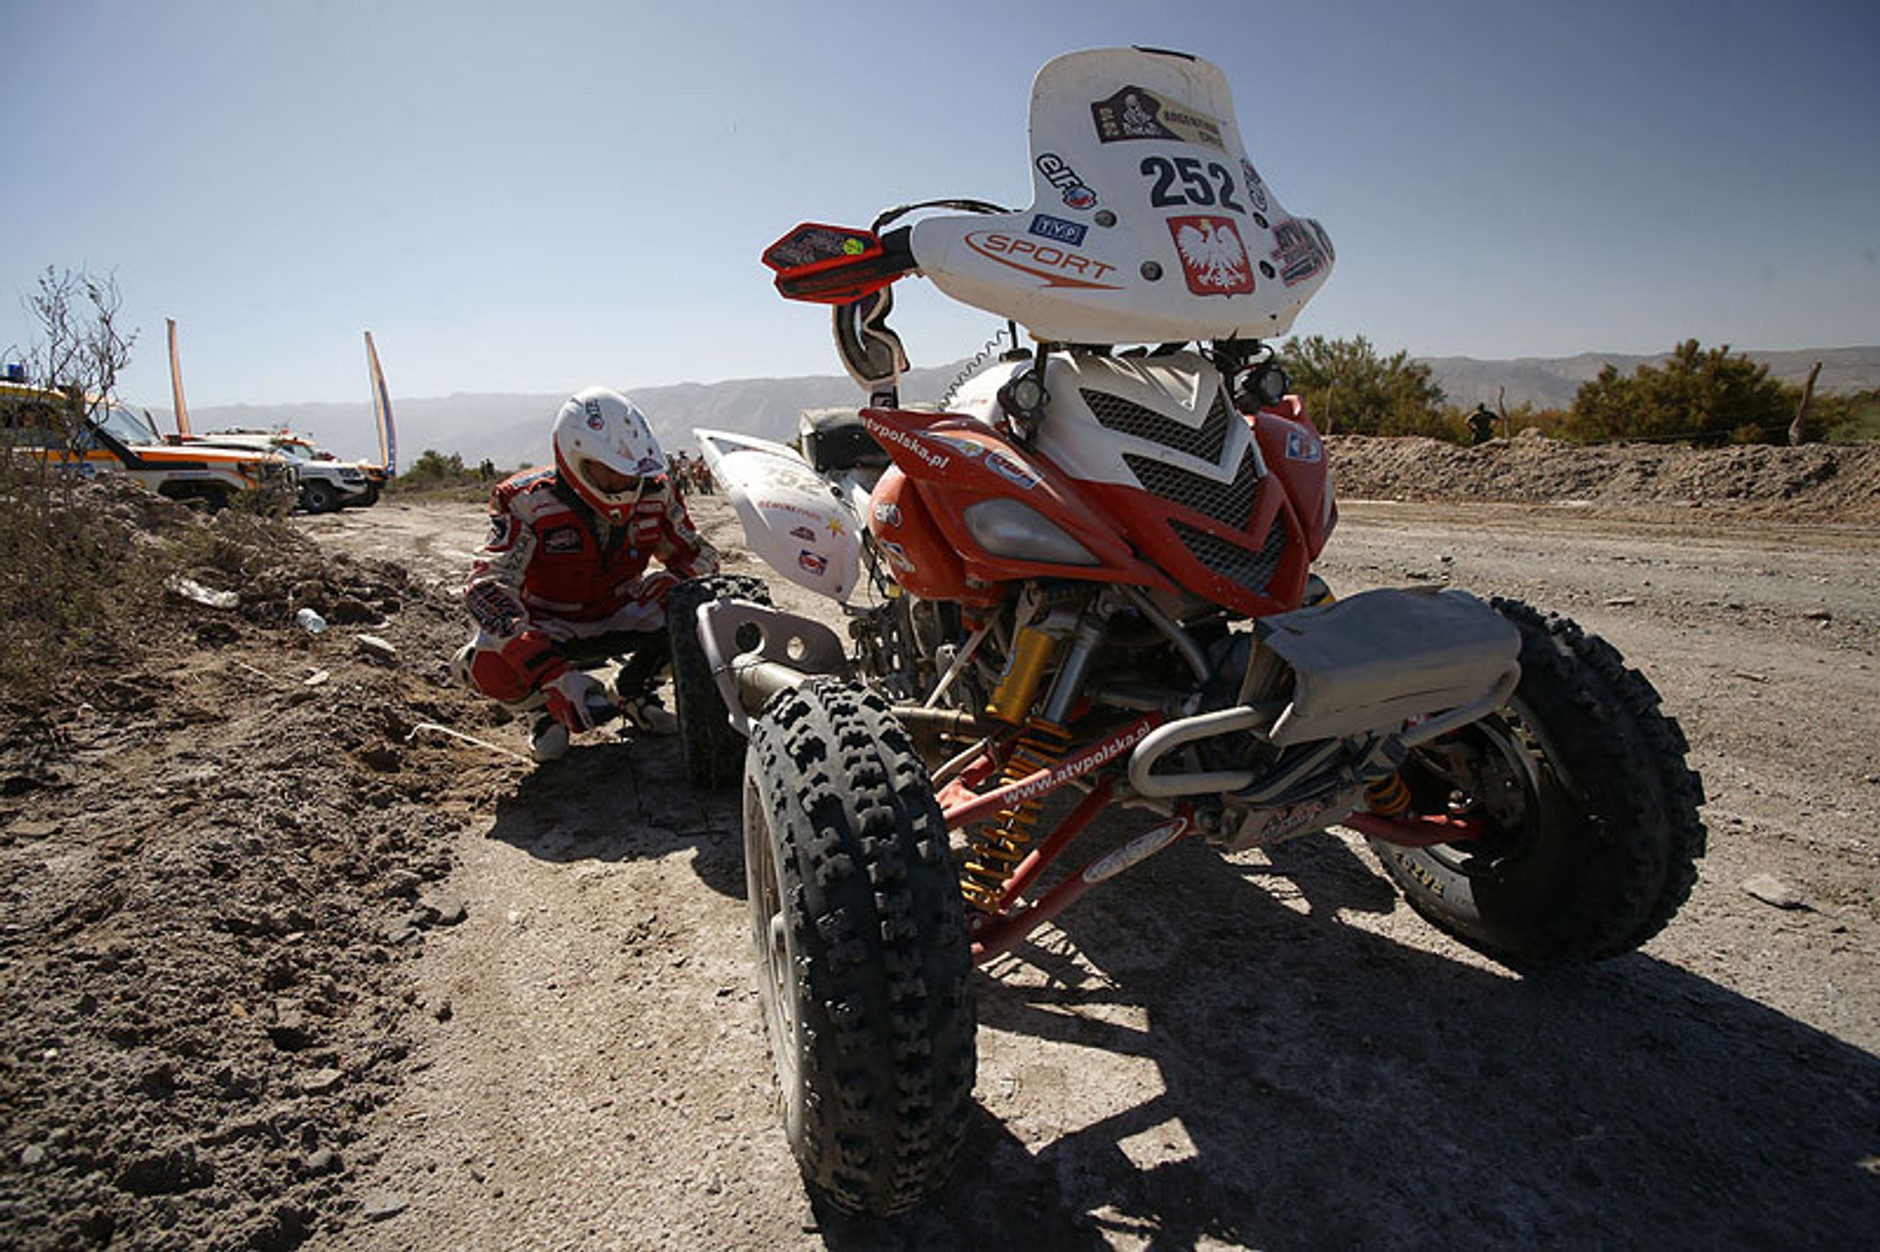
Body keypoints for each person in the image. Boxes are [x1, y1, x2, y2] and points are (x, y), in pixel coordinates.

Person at [452, 386, 720, 762]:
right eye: (609, 472)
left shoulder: (656, 492)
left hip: (622, 609)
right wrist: (550, 673)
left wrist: (678, 579)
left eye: (629, 473)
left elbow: (704, 555)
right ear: (575, 460)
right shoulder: (526, 500)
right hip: (548, 622)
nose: (623, 485)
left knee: (703, 609)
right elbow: (485, 587)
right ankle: (545, 710)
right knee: (482, 663)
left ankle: (633, 689)